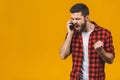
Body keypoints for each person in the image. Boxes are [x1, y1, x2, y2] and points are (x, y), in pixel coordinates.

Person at [59, 3, 115, 80]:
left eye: (78, 19)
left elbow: (111, 60)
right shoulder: (72, 33)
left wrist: (101, 51)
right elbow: (63, 55)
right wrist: (70, 34)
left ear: (87, 18)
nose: (74, 22)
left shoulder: (104, 33)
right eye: (72, 19)